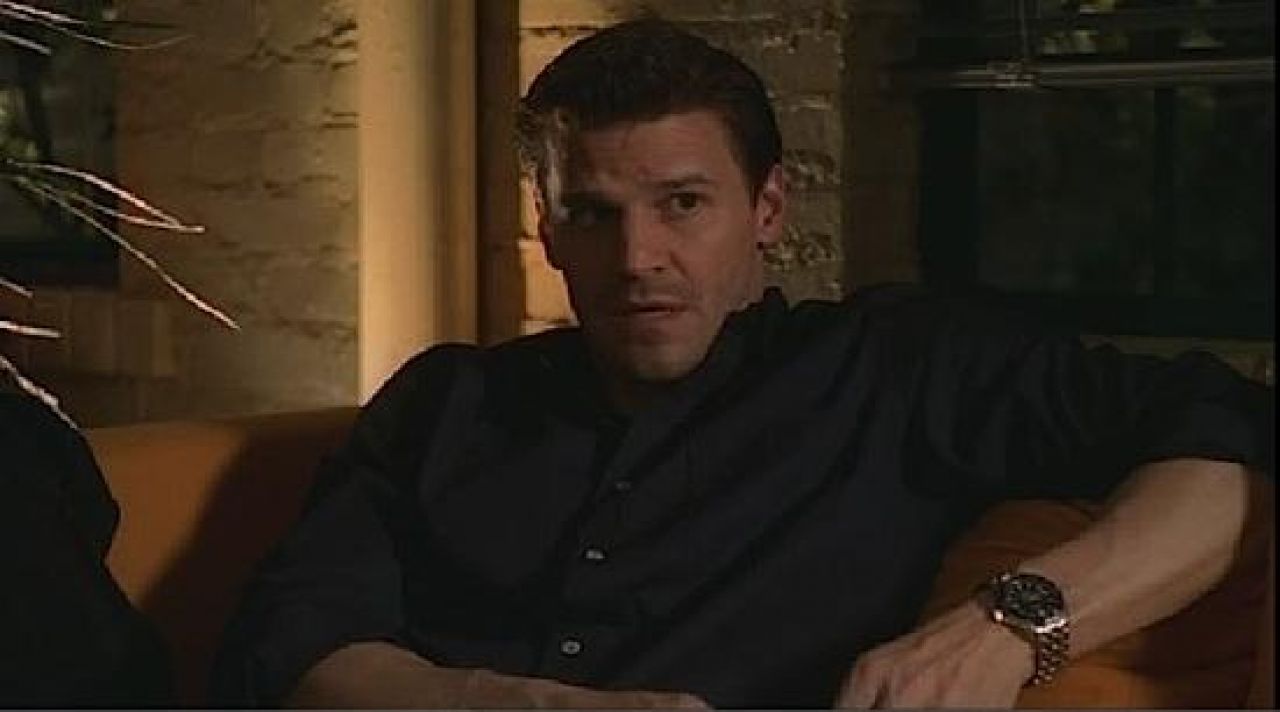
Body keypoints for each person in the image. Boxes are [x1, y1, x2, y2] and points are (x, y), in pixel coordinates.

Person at [213, 19, 1272, 709]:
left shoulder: (891, 371)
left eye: (682, 203)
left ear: (766, 210)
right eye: (593, 214)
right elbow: (294, 649)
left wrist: (1012, 624)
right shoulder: (445, 402)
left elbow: (1227, 432)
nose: (638, 258)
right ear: (546, 229)